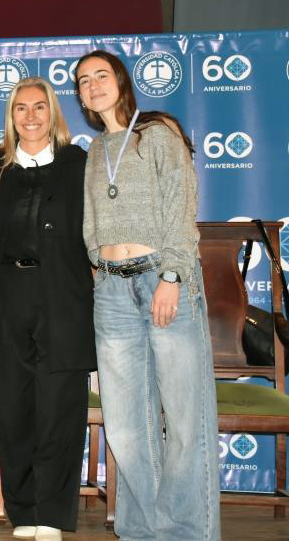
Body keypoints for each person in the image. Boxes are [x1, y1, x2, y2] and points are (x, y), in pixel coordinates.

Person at [75, 50, 219, 540]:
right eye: (83, 81)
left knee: (183, 419)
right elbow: (91, 221)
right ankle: (141, 531)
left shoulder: (157, 135)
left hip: (162, 279)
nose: (92, 85)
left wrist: (172, 277)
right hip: (112, 291)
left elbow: (181, 208)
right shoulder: (96, 150)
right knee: (126, 425)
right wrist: (98, 263)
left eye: (101, 75)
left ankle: (186, 533)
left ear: (121, 81)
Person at [0, 77, 94, 541]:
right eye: (21, 108)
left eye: (39, 107)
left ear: (53, 113)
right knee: (16, 404)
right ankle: (24, 511)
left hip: (63, 296)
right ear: (11, 116)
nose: (30, 116)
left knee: (61, 407)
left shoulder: (77, 164)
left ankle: (52, 514)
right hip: (8, 297)